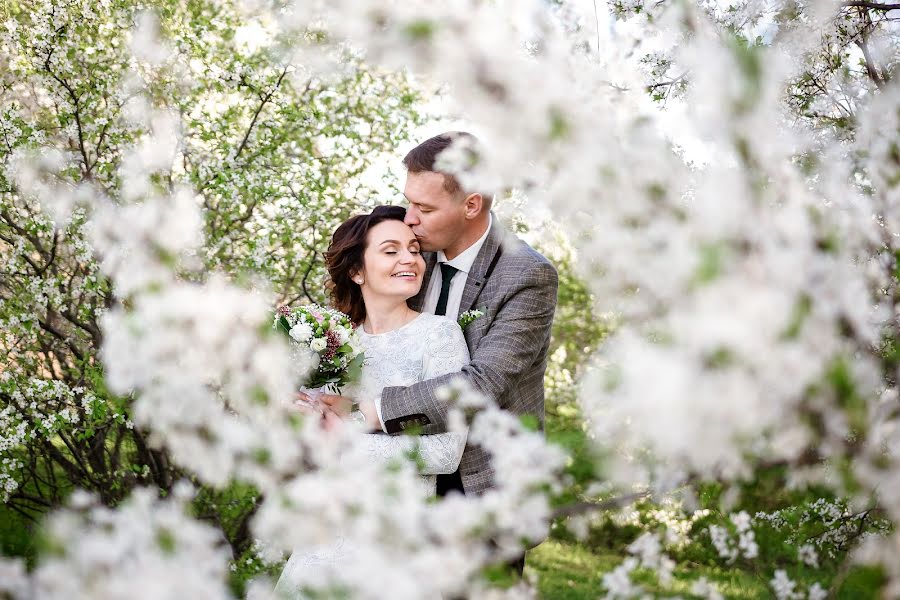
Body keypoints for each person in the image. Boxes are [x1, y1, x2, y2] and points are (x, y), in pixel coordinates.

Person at [274, 205, 470, 597]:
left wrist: (345, 438)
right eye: (391, 250)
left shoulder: (439, 335)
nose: (409, 259)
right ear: (357, 271)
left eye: (414, 249)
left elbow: (448, 453)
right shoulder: (330, 343)